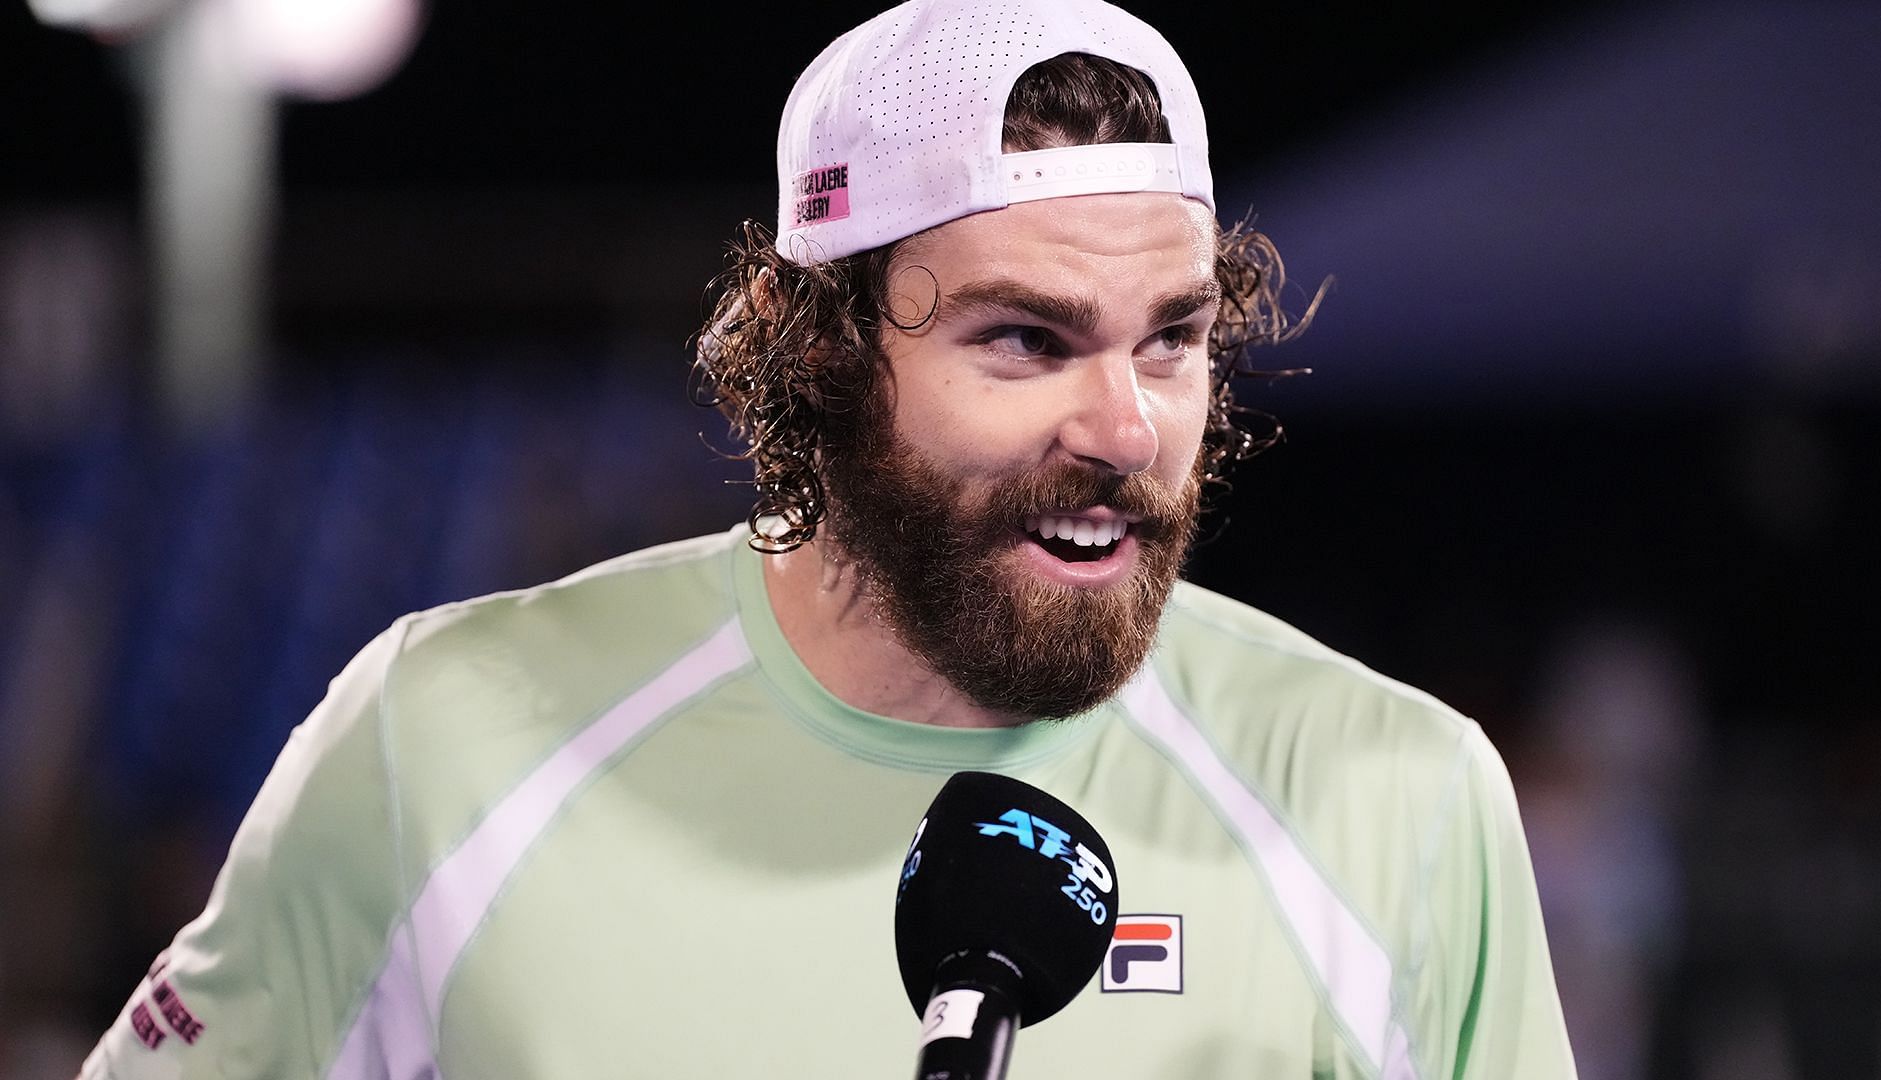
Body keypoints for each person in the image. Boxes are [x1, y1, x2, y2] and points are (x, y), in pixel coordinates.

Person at [81, 1, 1576, 1077]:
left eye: (1171, 340)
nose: (1124, 429)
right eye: (1023, 340)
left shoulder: (1403, 801)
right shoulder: (442, 743)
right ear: (819, 354)